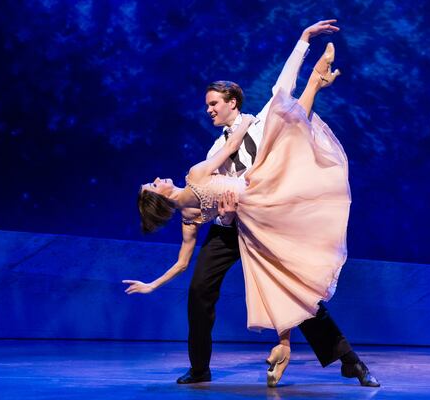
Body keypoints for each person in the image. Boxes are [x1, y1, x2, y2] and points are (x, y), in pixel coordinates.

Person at [124, 20, 379, 388]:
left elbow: (291, 116)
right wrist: (223, 213)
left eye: (213, 104)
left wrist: (308, 63)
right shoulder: (212, 152)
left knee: (296, 290)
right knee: (199, 291)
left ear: (232, 103)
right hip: (229, 230)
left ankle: (349, 361)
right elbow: (207, 198)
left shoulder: (260, 125)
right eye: (207, 106)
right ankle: (200, 368)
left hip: (267, 218)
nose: (209, 111)